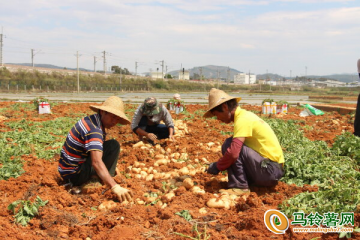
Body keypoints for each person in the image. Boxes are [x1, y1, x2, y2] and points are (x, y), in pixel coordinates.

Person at [203, 88, 285, 196]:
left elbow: (233, 153)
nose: (217, 119)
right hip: (272, 171)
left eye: (216, 114)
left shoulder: (243, 119)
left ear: (224, 107)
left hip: (270, 171)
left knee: (229, 144)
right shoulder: (245, 116)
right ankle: (246, 183)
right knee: (233, 144)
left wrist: (217, 166)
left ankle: (239, 187)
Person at [58, 96, 133, 202]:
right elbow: (96, 162)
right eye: (113, 117)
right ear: (103, 112)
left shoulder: (92, 120)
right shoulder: (95, 130)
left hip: (67, 169)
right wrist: (115, 186)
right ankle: (98, 180)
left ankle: (103, 176)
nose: (115, 121)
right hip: (74, 174)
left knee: (112, 145)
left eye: (117, 119)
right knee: (113, 146)